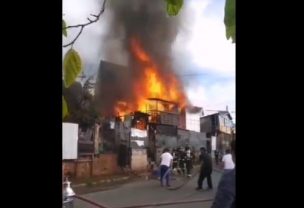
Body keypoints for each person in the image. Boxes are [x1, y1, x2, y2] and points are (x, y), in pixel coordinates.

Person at [211, 140, 235, 208]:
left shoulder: (229, 179)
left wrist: (220, 167)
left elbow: (220, 205)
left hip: (227, 171)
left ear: (232, 152)